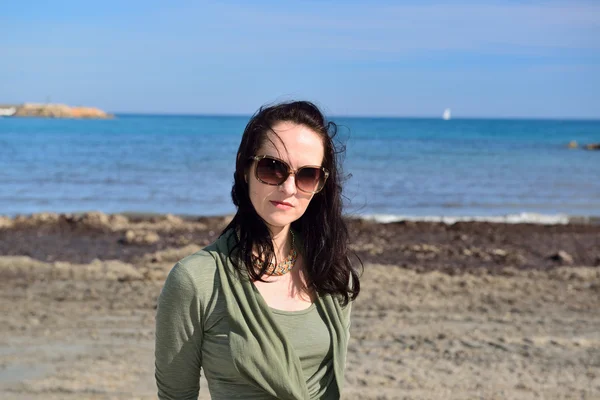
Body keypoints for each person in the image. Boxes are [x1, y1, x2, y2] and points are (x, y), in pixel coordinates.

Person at [155, 100, 361, 399]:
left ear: (320, 185)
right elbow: (176, 395)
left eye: (307, 175)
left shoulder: (331, 272)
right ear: (244, 168)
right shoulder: (195, 280)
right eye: (273, 167)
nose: (289, 188)